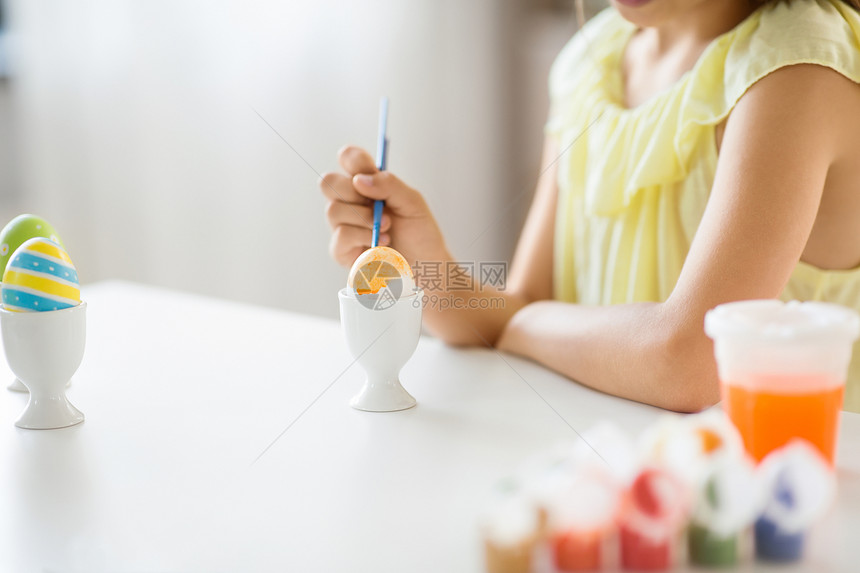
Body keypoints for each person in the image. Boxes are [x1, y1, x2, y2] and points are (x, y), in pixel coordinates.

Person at [320, 0, 860, 413]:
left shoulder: (797, 69)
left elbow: (689, 361)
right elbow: (520, 308)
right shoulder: (592, 60)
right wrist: (426, 267)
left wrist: (524, 325)